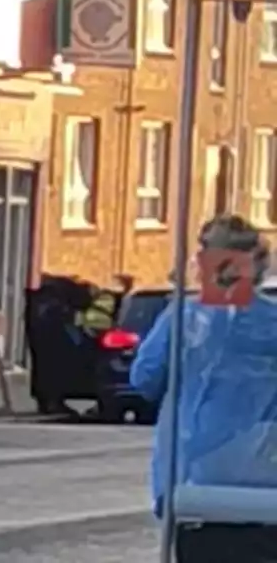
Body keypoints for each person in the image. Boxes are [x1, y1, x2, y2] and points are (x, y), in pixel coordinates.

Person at [131, 214, 277, 561]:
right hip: (264, 483)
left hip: (193, 481)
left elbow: (144, 379)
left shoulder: (181, 318)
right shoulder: (272, 322)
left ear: (203, 261)